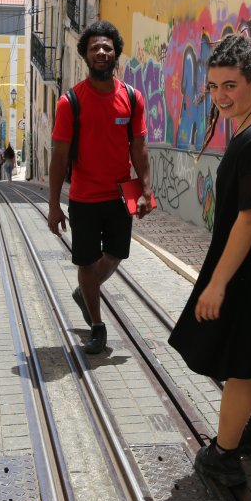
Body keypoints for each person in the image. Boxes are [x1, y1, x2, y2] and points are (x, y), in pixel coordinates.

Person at [168, 34, 251, 487]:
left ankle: (224, 455)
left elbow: (249, 218)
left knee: (242, 363)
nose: (221, 96)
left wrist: (217, 282)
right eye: (213, 87)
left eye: (230, 85)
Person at [48, 20, 153, 355]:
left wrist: (146, 190)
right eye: (95, 47)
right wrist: (53, 205)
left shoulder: (133, 98)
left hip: (121, 195)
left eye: (107, 47)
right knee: (87, 262)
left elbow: (139, 148)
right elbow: (60, 156)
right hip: (84, 198)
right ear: (86, 55)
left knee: (117, 255)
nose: (102, 52)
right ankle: (97, 325)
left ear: (115, 53)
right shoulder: (70, 102)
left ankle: (85, 290)